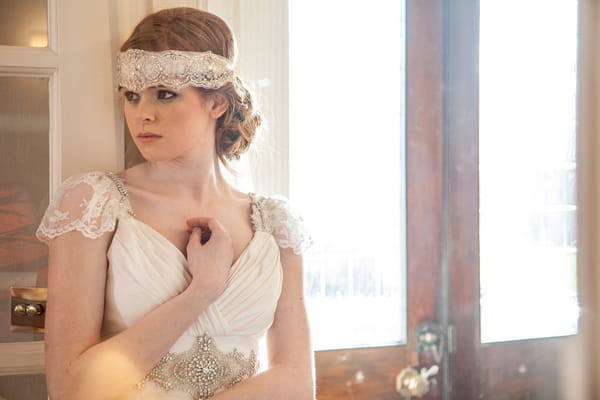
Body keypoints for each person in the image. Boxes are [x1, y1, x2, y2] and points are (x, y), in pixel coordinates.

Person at [36, 7, 314, 400]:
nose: (142, 114)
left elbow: (298, 382)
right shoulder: (93, 203)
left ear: (217, 103)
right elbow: (70, 388)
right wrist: (203, 289)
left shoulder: (275, 221)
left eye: (165, 94)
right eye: (132, 96)